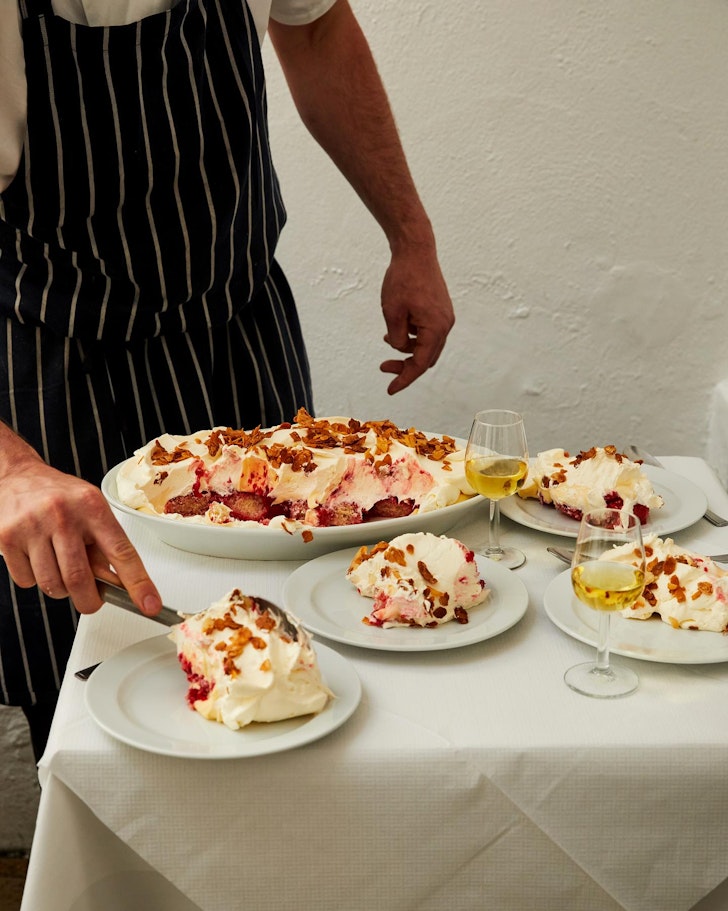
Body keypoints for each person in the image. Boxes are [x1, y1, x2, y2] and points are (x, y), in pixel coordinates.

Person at [0, 0, 454, 760]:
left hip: (239, 339)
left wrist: (411, 236)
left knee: (295, 652)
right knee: (101, 710)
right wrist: (10, 471)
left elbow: (316, 27)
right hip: (60, 373)